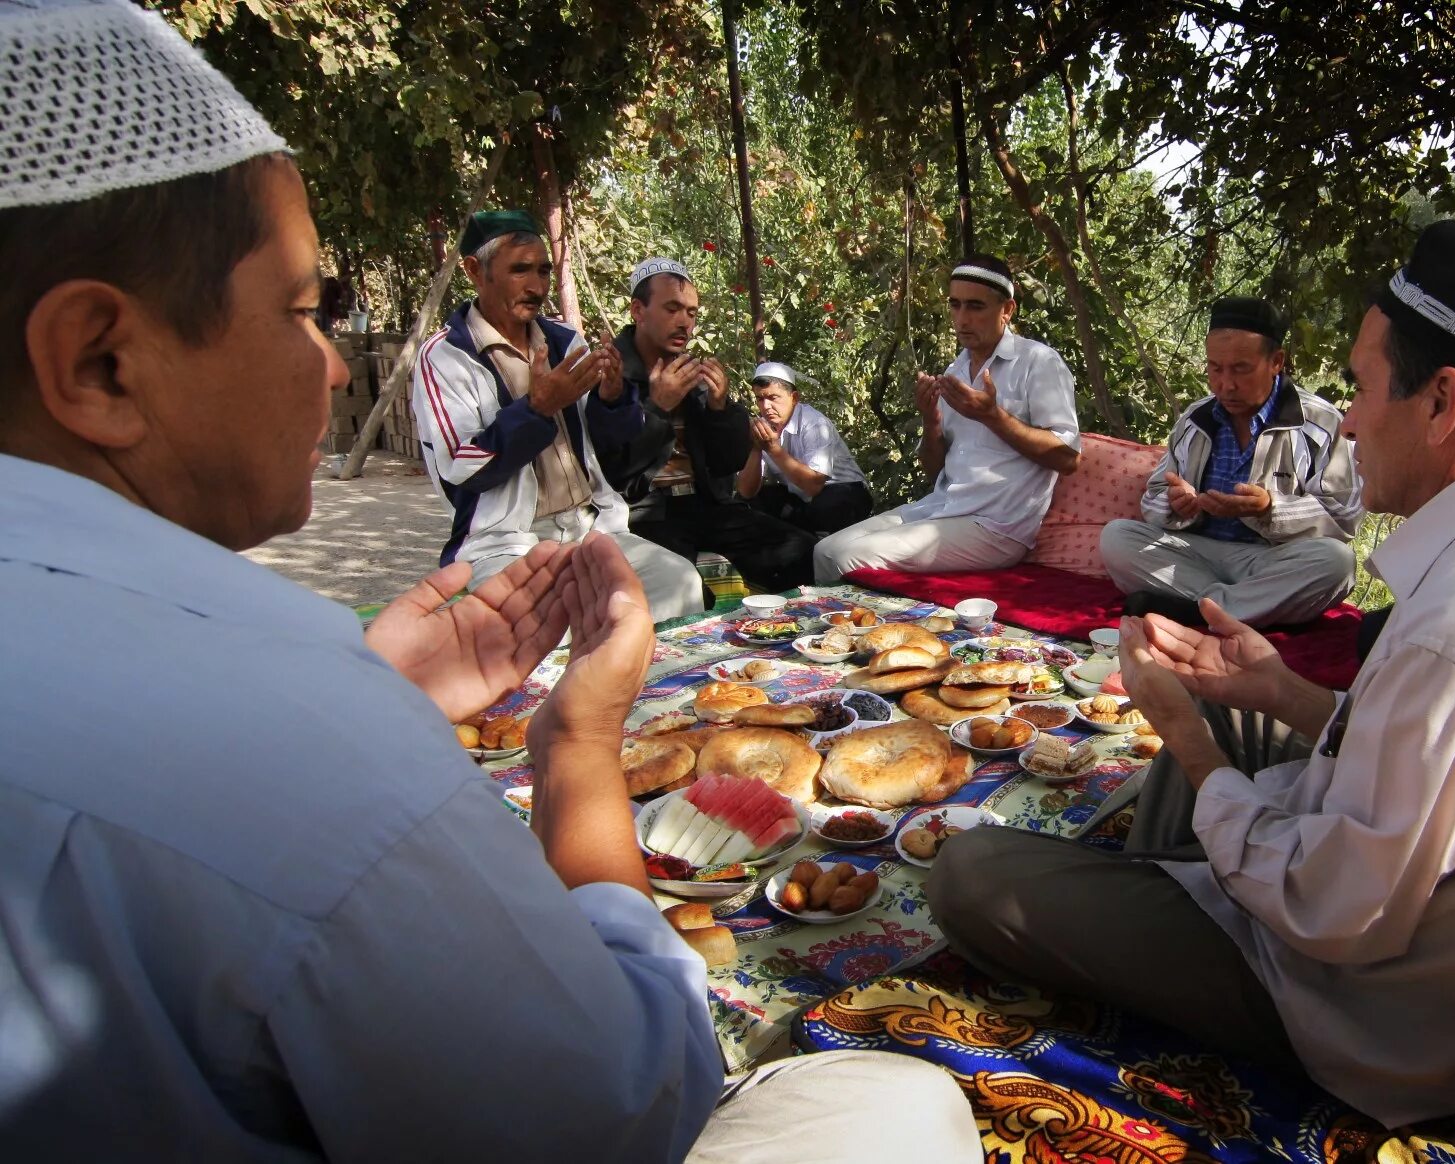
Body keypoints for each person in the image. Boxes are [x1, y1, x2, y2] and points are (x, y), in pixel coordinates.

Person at [0, 5, 979, 1160]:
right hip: (503, 543)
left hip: (575, 533)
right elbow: (615, 1101)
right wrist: (571, 753)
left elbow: (624, 462)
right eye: (304, 311)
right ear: (101, 364)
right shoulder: (298, 716)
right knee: (899, 1106)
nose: (325, 362)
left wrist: (632, 407)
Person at [926, 220, 1455, 1128]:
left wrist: (1182, 737)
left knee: (972, 871)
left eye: (1367, 385)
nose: (1348, 416)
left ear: (1442, 401)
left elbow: (1333, 908)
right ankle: (1160, 884)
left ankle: (1158, 909)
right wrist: (1283, 691)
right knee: (1235, 716)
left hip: (1358, 1007)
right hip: (1438, 917)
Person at [410, 211, 705, 620]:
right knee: (547, 624)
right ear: (476, 272)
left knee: (677, 580)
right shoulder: (445, 356)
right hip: (505, 544)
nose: (536, 286)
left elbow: (606, 445)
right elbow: (463, 466)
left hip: (588, 527)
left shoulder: (564, 341)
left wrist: (613, 397)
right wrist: (538, 408)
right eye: (520, 270)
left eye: (544, 271)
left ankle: (659, 684)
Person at [812, 255, 1080, 583]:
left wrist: (992, 416)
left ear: (1007, 310)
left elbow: (1068, 459)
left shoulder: (1037, 362)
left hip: (996, 527)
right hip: (943, 508)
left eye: (975, 306)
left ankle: (858, 629)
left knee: (845, 557)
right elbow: (935, 471)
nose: (962, 319)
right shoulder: (956, 370)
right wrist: (931, 421)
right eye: (955, 305)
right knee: (825, 550)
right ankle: (843, 631)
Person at [1101, 297, 1361, 628]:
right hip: (1198, 554)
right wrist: (1175, 504)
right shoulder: (1195, 418)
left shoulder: (1320, 423)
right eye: (1215, 368)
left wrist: (1269, 509)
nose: (1226, 384)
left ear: (1276, 361)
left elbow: (1344, 516)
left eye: (1241, 369)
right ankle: (1251, 609)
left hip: (1271, 560)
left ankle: (1197, 610)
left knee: (1337, 563)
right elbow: (1152, 498)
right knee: (1117, 538)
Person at [591, 259, 816, 595]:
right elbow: (616, 472)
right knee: (686, 589)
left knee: (806, 552)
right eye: (672, 309)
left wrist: (719, 408)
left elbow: (729, 462)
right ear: (638, 310)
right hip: (644, 515)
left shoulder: (692, 374)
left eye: (692, 313)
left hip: (706, 507)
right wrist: (657, 408)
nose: (685, 322)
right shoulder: (609, 372)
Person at [735, 360, 873, 535]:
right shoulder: (763, 428)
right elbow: (746, 491)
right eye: (760, 399)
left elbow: (814, 485)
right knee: (746, 504)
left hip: (844, 491)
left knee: (826, 507)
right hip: (802, 499)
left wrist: (773, 449)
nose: (766, 406)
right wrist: (756, 448)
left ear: (794, 398)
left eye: (773, 398)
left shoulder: (814, 423)